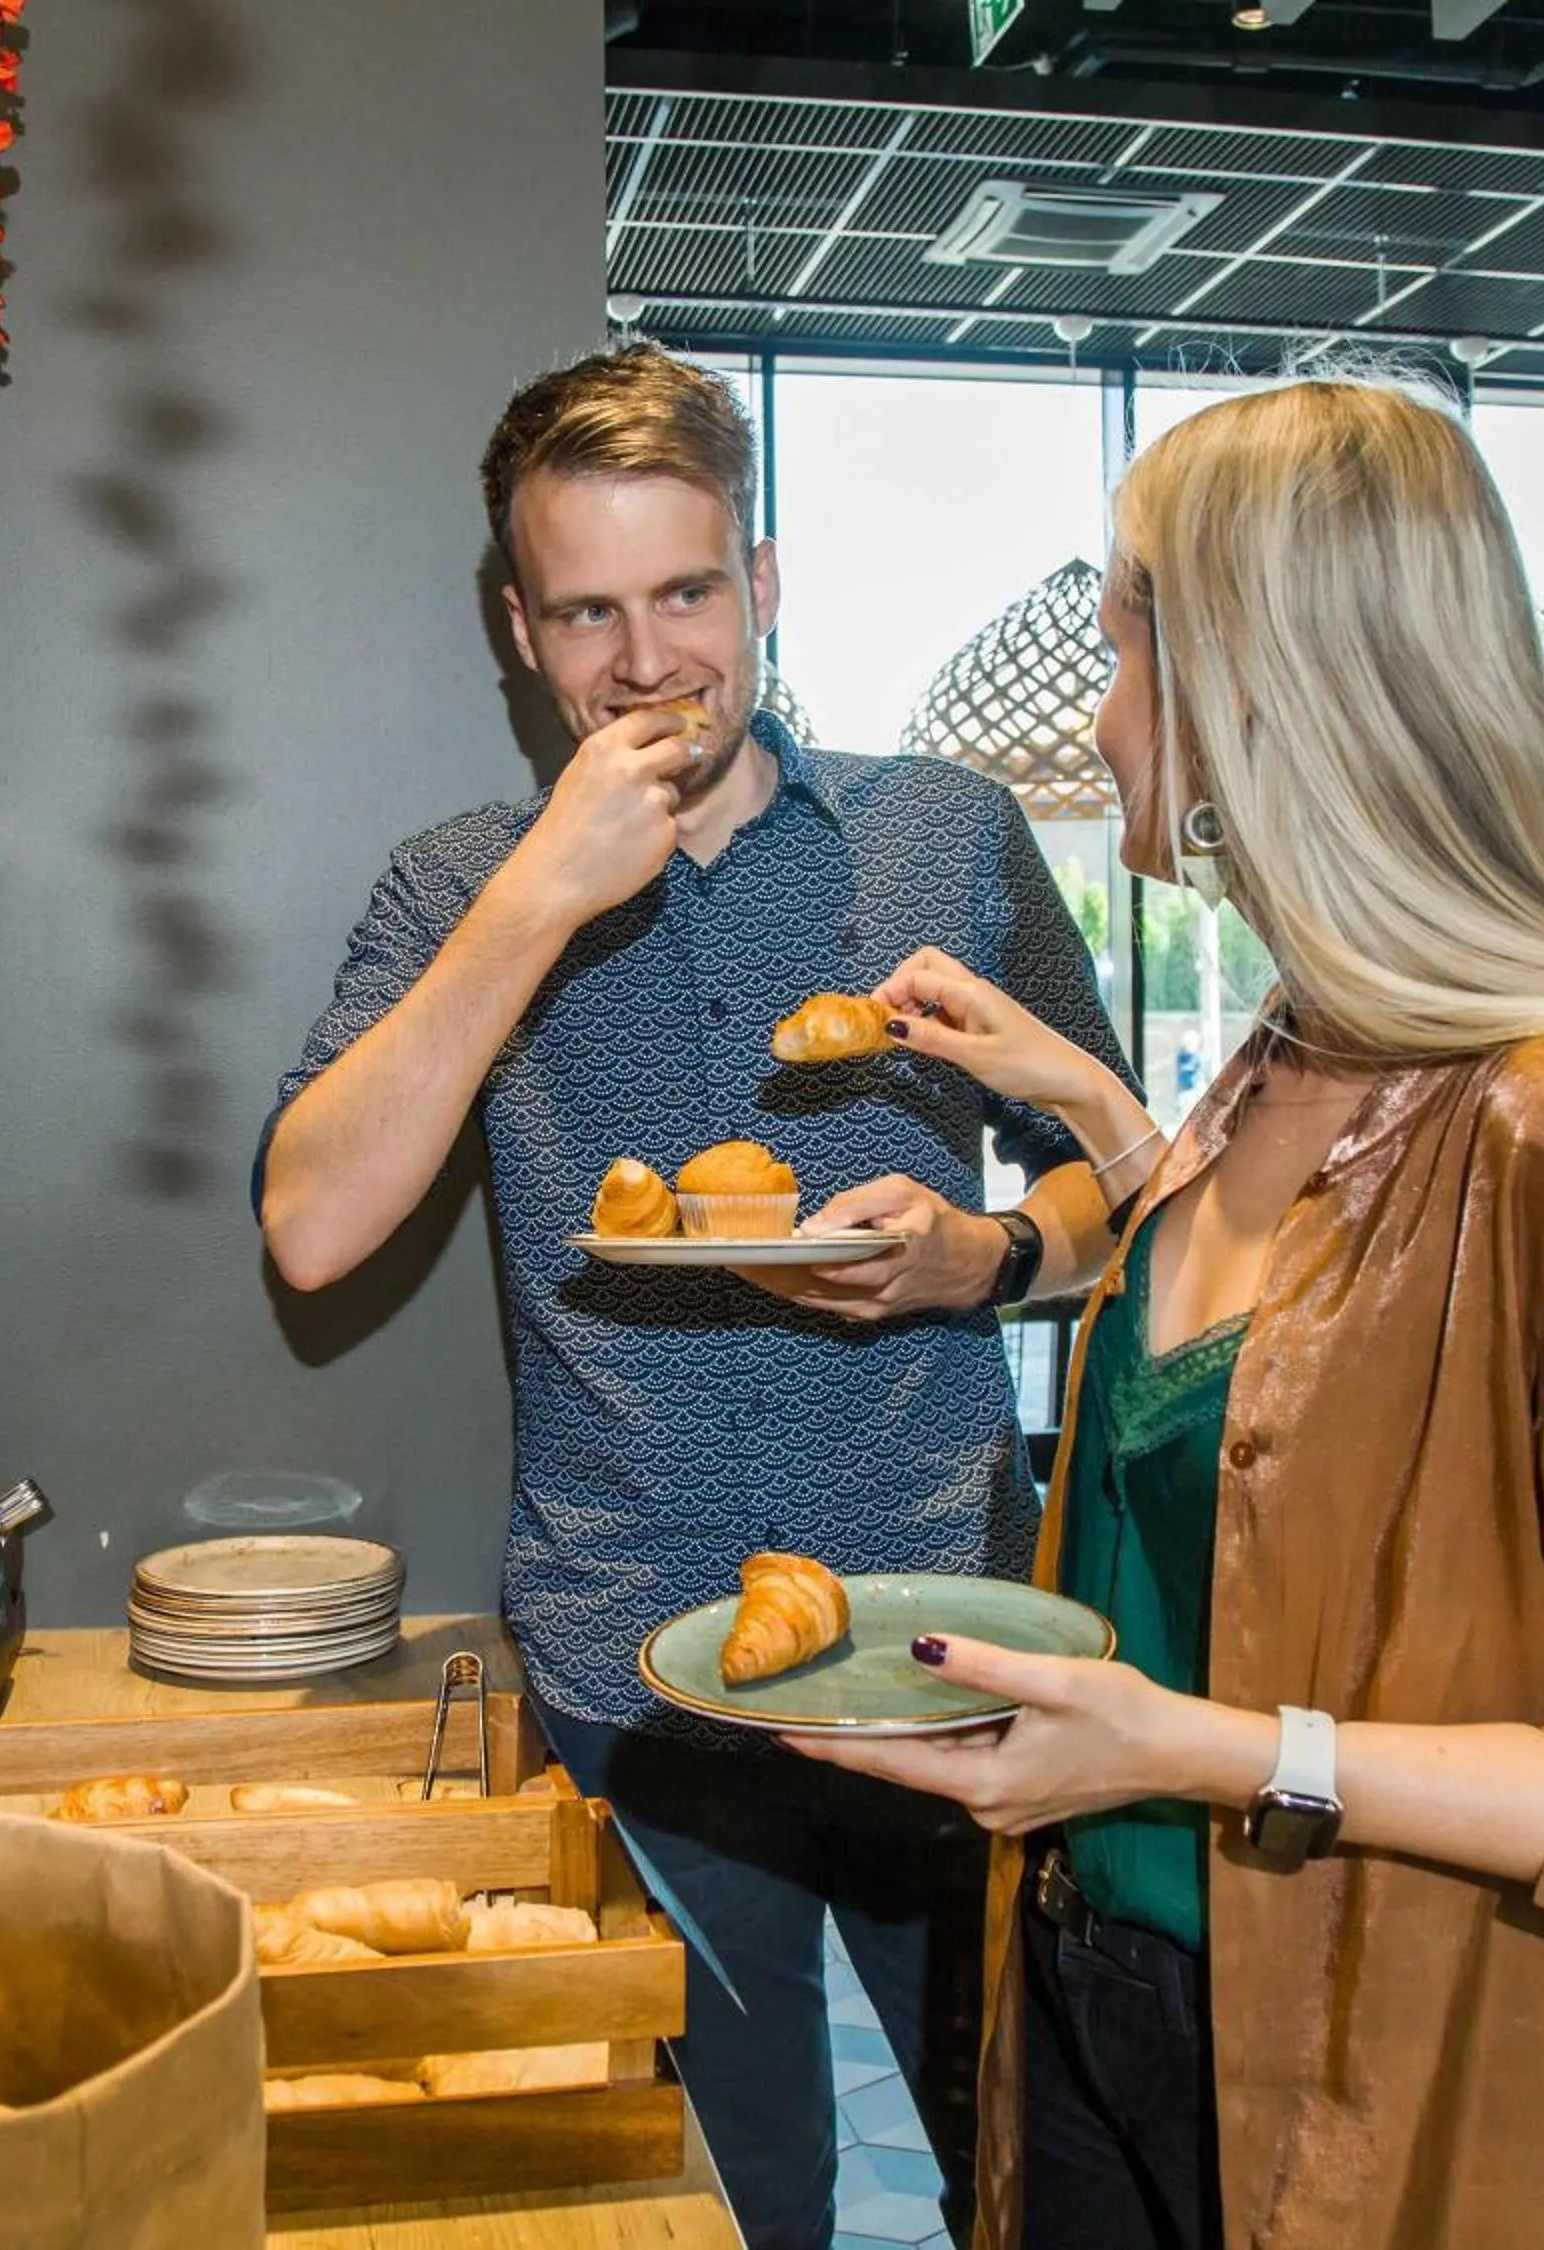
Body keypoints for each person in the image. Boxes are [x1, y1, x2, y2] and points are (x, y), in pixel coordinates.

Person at [788, 378, 1544, 2250]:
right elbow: (1280, 1375)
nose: (1100, 717)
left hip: (1383, 2074)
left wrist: (1206, 1750)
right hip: (1093, 2000)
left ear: (1256, 688)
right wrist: (1080, 1100)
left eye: (1122, 654)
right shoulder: (1270, 1078)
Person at [254, 344, 1138, 2250]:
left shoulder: (946, 834)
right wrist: (537, 901)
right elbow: (313, 1228)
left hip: (939, 1661)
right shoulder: (455, 886)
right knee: (722, 2208)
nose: (646, 660)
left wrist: (984, 1257)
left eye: (684, 593)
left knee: (1023, 2180)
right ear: (521, 628)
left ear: (764, 578)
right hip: (629, 1677)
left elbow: (1123, 1176)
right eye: (587, 611)